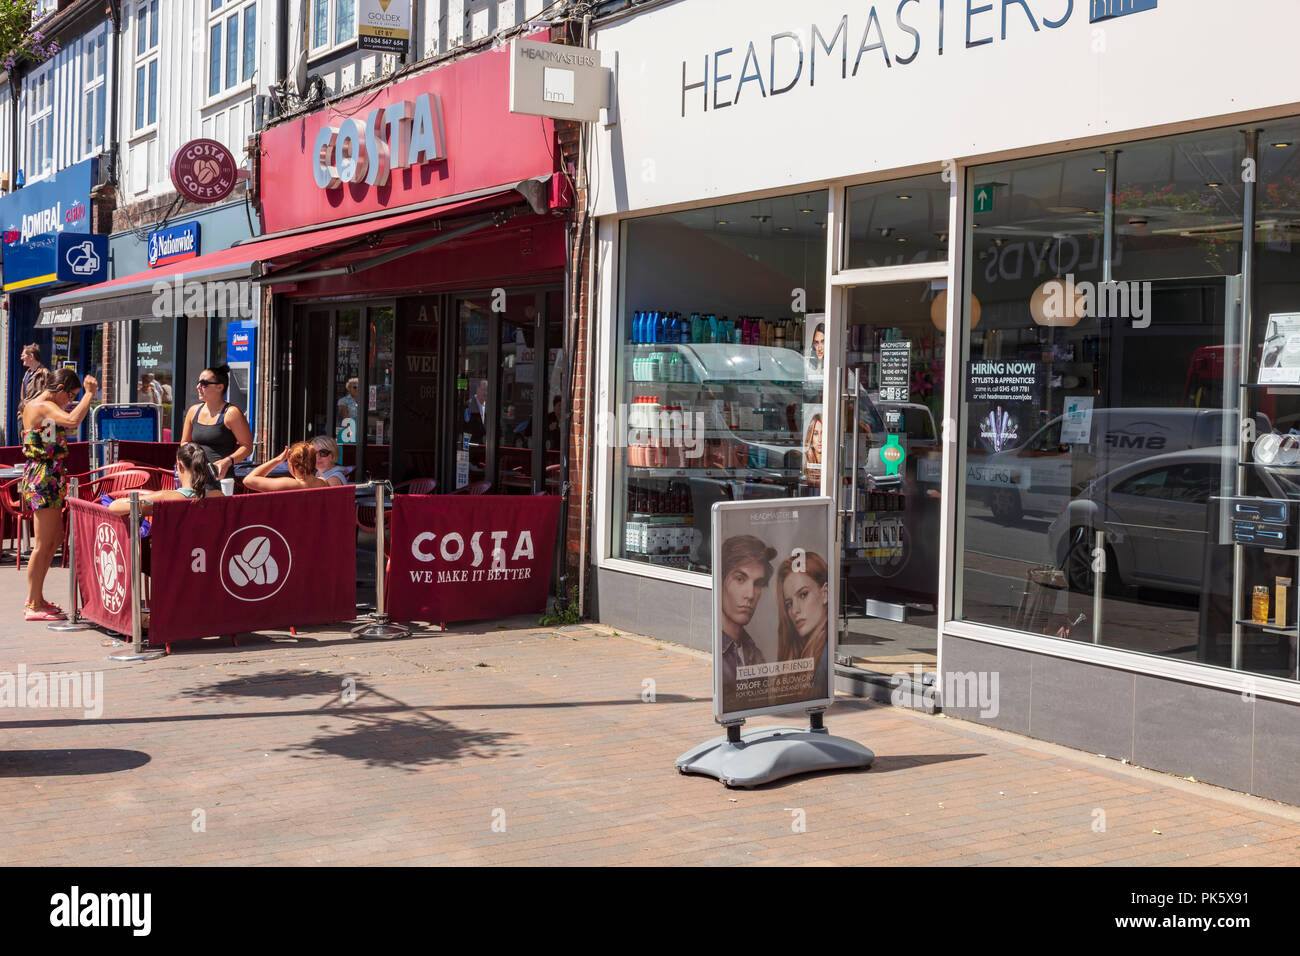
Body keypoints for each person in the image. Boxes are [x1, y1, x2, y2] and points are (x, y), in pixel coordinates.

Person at [18, 368, 98, 621]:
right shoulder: (42, 406)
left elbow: (50, 437)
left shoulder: (47, 411)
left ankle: (38, 598)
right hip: (42, 477)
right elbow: (73, 420)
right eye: (71, 396)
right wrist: (89, 395)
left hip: (49, 475)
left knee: (54, 539)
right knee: (43, 544)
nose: (70, 402)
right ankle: (32, 604)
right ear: (60, 389)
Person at [718, 534, 776, 712]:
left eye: (758, 583)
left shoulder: (754, 652)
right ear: (720, 580)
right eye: (740, 579)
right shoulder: (715, 651)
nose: (750, 595)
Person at [180, 365, 252, 492]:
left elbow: (247, 447)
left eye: (204, 384)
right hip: (195, 477)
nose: (198, 387)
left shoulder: (231, 413)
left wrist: (227, 461)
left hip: (221, 479)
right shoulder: (193, 411)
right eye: (198, 383)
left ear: (220, 387)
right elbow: (184, 443)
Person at [774, 551, 831, 704]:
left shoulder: (826, 656)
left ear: (825, 593)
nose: (795, 610)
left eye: (803, 595)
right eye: (789, 604)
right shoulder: (806, 653)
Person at [107, 442, 210, 516]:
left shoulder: (166, 498)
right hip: (205, 546)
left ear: (179, 467)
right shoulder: (217, 496)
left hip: (172, 546)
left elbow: (114, 507)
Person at [243, 442, 327, 493]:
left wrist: (278, 460)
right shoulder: (323, 483)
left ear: (292, 464)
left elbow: (248, 480)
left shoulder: (289, 484)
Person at [16, 343, 51, 433]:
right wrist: (20, 414)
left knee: (35, 446)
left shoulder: (44, 373)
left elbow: (50, 396)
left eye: (23, 355)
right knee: (24, 446)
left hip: (37, 419)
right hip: (24, 416)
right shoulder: (27, 374)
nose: (21, 358)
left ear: (31, 356)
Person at [464, 378, 488, 443]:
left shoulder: (490, 406)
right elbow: (465, 427)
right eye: (483, 390)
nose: (485, 393)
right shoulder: (469, 405)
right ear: (477, 390)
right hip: (473, 444)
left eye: (487, 390)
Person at [803, 413, 823, 484]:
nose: (820, 439)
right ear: (811, 437)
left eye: (823, 433)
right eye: (816, 434)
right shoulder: (807, 463)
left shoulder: (833, 464)